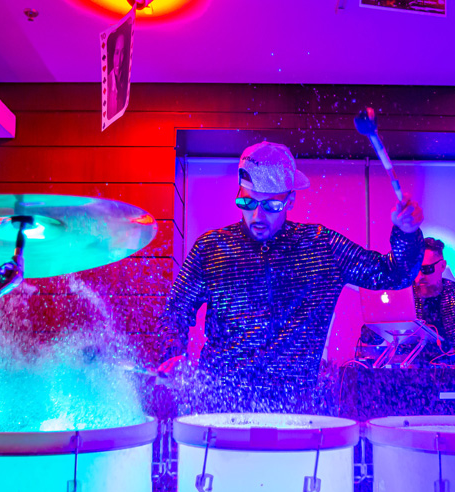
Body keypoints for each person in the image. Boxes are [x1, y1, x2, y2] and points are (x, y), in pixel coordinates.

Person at [157, 140, 425, 412]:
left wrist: (407, 234)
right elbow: (175, 311)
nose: (257, 215)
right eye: (246, 201)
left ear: (291, 200)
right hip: (219, 404)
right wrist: (173, 356)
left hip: (295, 409)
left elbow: (395, 274)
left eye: (271, 205)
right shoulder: (212, 248)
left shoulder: (322, 247)